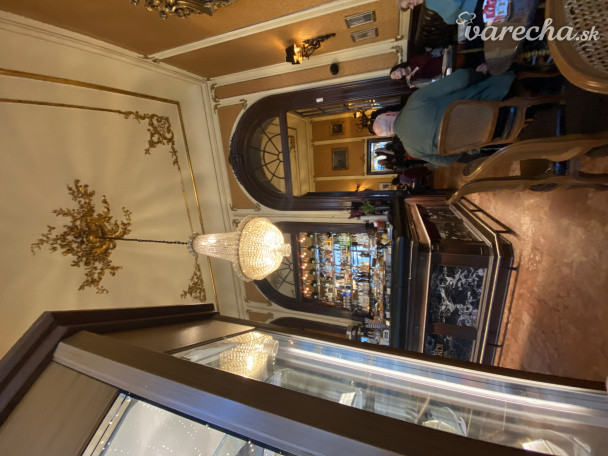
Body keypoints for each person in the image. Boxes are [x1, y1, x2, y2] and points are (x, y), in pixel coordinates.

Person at [371, 68, 515, 166]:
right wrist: (478, 73)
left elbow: (447, 160)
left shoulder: (413, 150)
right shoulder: (415, 100)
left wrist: (464, 144)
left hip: (494, 139)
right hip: (502, 104)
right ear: (388, 114)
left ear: (391, 134)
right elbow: (462, 78)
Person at [397, 0, 478, 25]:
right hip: (470, 14)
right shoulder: (429, 4)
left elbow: (455, 6)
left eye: (409, 3)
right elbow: (449, 20)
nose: (412, 7)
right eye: (409, 7)